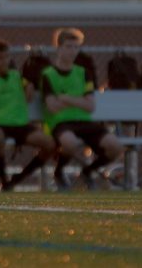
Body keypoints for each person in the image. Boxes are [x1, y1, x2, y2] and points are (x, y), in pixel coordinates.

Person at [44, 28, 123, 191]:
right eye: (68, 46)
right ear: (58, 48)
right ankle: (58, 172)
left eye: (76, 47)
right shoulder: (48, 74)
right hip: (61, 122)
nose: (73, 51)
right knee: (70, 143)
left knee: (115, 147)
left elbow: (91, 105)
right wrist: (79, 100)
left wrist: (66, 98)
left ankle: (88, 171)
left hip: (84, 121)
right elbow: (52, 107)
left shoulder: (83, 73)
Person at [0, 39, 55, 191]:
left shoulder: (17, 76)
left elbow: (29, 95)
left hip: (19, 123)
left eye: (7, 57)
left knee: (50, 144)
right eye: (0, 58)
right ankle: (4, 180)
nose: (5, 61)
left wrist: (29, 87)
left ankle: (18, 178)